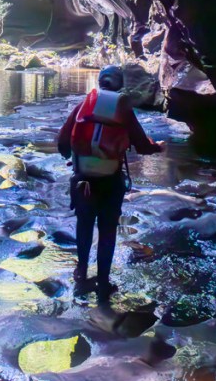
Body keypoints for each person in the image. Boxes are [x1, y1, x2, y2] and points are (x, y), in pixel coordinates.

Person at [57, 64, 163, 301]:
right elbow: (142, 145)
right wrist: (157, 147)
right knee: (107, 231)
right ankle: (103, 284)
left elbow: (63, 143)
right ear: (120, 84)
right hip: (110, 181)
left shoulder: (83, 106)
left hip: (82, 180)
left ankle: (81, 274)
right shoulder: (123, 109)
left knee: (84, 226)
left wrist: (75, 157)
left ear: (100, 82)